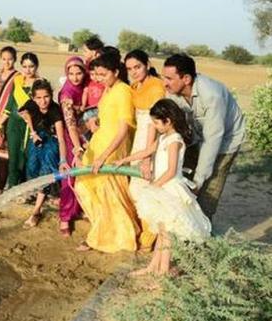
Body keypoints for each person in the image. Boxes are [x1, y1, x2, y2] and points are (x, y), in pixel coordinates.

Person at [115, 99, 211, 276]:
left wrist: (154, 186)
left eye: (157, 123)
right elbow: (147, 151)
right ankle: (153, 266)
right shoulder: (163, 137)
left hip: (170, 188)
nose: (155, 126)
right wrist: (125, 160)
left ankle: (163, 271)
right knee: (161, 230)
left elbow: (171, 170)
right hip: (161, 188)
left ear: (168, 121)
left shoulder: (175, 140)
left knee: (167, 234)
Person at [162, 53, 245, 220]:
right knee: (182, 183)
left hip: (225, 142)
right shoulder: (171, 93)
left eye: (169, 78)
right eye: (163, 77)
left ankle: (203, 236)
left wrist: (198, 181)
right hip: (197, 137)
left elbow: (213, 139)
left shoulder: (212, 95)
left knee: (208, 191)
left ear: (186, 79)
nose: (165, 83)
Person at [74, 52, 143, 253]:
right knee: (86, 186)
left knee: (108, 192)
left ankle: (113, 236)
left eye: (103, 74)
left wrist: (104, 156)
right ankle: (102, 229)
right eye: (97, 75)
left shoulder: (123, 91)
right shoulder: (109, 89)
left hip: (113, 148)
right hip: (99, 142)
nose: (99, 79)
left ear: (115, 71)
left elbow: (123, 128)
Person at [19, 79, 68, 228]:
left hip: (51, 141)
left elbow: (60, 139)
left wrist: (63, 160)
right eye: (39, 98)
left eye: (46, 97)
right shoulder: (31, 104)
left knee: (46, 169)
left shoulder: (55, 110)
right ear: (33, 98)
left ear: (51, 95)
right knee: (32, 166)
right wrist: (33, 131)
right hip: (37, 138)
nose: (43, 101)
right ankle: (45, 195)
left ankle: (36, 211)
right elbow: (22, 112)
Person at [0, 47, 29, 193]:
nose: (7, 62)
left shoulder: (18, 77)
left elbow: (18, 100)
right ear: (0, 59)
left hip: (9, 118)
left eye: (10, 59)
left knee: (4, 155)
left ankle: (0, 185)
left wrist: (3, 118)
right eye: (4, 59)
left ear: (14, 60)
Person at [57, 56, 87, 236]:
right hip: (72, 139)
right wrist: (77, 147)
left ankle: (78, 209)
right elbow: (70, 124)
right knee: (69, 177)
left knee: (83, 176)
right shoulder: (67, 93)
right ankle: (65, 217)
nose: (75, 77)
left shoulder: (85, 88)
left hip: (85, 137)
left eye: (79, 73)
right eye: (71, 74)